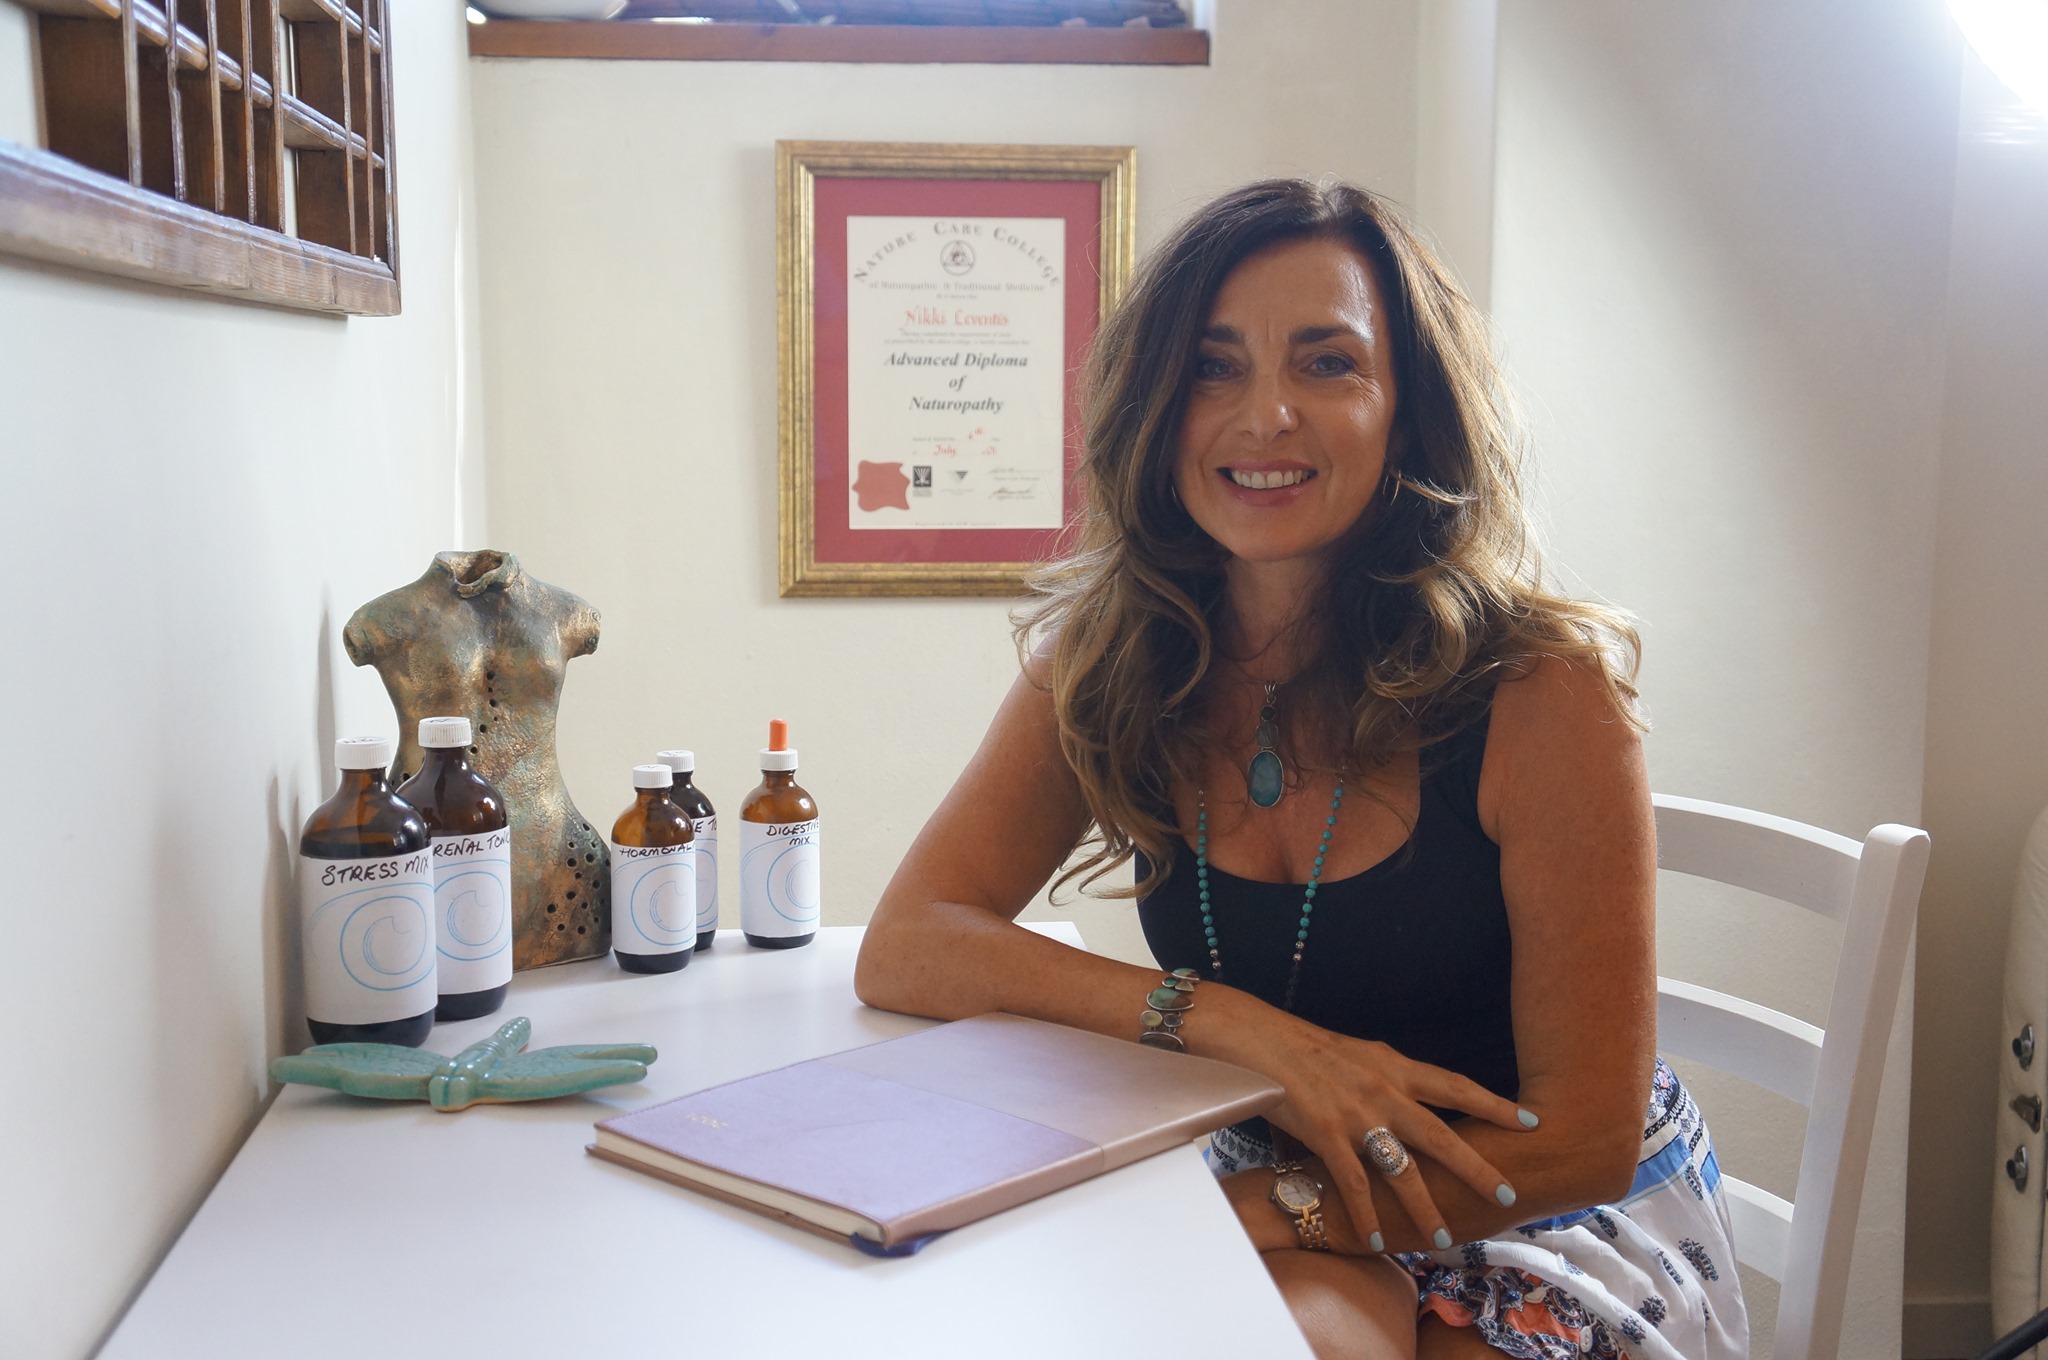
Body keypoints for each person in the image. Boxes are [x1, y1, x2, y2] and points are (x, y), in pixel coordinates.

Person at [854, 179, 1746, 1360]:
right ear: (1156, 407)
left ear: (1405, 412)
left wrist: (1265, 1208)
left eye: (1325, 363)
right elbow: (909, 943)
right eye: (1212, 368)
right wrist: (1239, 1029)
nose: (1264, 414)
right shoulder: (1109, 659)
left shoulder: (1541, 690)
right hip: (1282, 1160)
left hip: (1532, 1202)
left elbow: (1580, 1142)